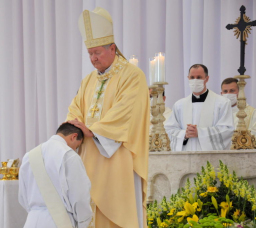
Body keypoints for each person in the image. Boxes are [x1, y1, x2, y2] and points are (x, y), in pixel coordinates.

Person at [67, 7, 150, 228]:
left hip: (118, 159)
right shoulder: (88, 80)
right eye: (90, 54)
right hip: (88, 158)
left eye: (97, 53)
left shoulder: (132, 75)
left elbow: (126, 113)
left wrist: (92, 130)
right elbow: (75, 109)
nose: (93, 59)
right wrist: (72, 128)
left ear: (112, 48)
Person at [18, 123, 92, 228]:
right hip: (60, 221)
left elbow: (22, 196)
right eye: (77, 146)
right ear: (74, 136)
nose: (76, 149)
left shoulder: (29, 155)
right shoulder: (69, 155)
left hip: (32, 220)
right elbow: (80, 197)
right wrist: (83, 222)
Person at [164, 64, 234, 151]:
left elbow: (227, 130)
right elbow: (169, 130)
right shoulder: (179, 105)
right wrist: (184, 134)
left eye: (199, 77)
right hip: (185, 157)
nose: (195, 80)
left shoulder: (222, 103)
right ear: (188, 78)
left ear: (206, 79)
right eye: (192, 77)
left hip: (210, 158)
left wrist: (200, 133)